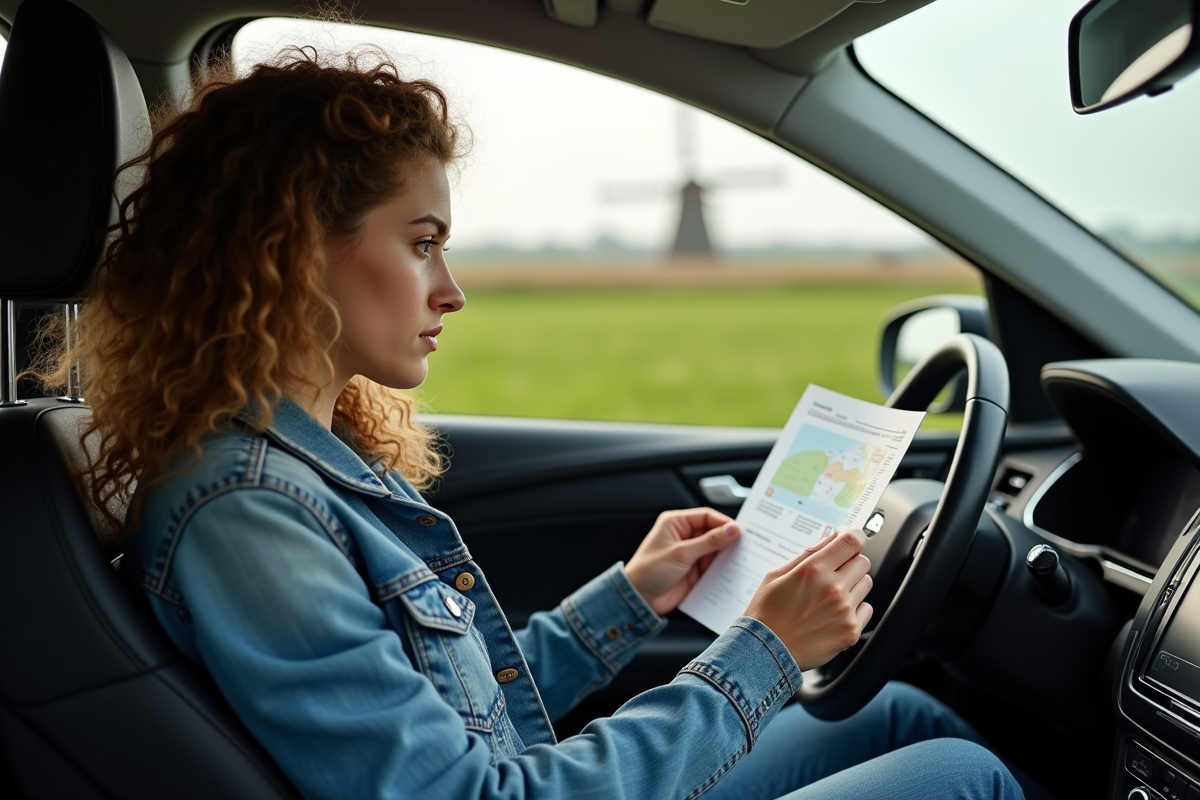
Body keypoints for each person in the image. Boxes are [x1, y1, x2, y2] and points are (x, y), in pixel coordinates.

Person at [38, 48, 1026, 800]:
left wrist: (631, 597)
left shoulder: (298, 462)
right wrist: (766, 646)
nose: (452, 290)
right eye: (422, 243)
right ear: (292, 250)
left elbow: (464, 720)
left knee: (899, 712)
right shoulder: (250, 508)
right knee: (961, 775)